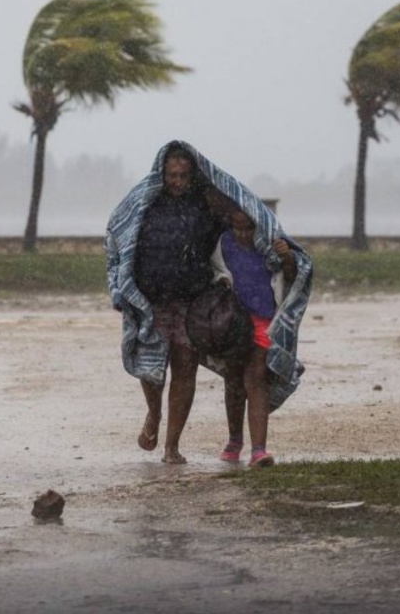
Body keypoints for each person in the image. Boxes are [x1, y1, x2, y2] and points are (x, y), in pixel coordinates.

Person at [108, 143, 229, 464]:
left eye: (184, 175)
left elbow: (233, 234)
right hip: (151, 301)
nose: (177, 181)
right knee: (151, 370)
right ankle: (153, 413)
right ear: (161, 173)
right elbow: (116, 234)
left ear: (193, 175)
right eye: (172, 175)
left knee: (185, 369)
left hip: (192, 300)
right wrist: (120, 287)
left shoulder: (204, 206)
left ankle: (172, 446)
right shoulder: (144, 203)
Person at [211, 209, 297, 467]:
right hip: (232, 321)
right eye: (237, 228)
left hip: (263, 320)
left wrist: (287, 257)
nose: (243, 234)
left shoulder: (271, 246)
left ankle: (259, 450)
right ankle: (235, 440)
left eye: (248, 228)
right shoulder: (222, 244)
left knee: (256, 379)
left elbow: (292, 276)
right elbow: (213, 272)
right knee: (233, 380)